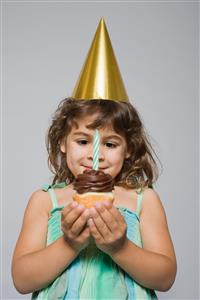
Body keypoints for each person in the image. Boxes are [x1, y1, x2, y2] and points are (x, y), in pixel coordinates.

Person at [12, 18, 177, 300]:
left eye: (111, 143)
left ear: (128, 149)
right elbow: (22, 280)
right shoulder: (45, 202)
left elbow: (165, 278)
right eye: (83, 141)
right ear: (63, 142)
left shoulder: (142, 200)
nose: (95, 154)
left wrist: (119, 247)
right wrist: (70, 243)